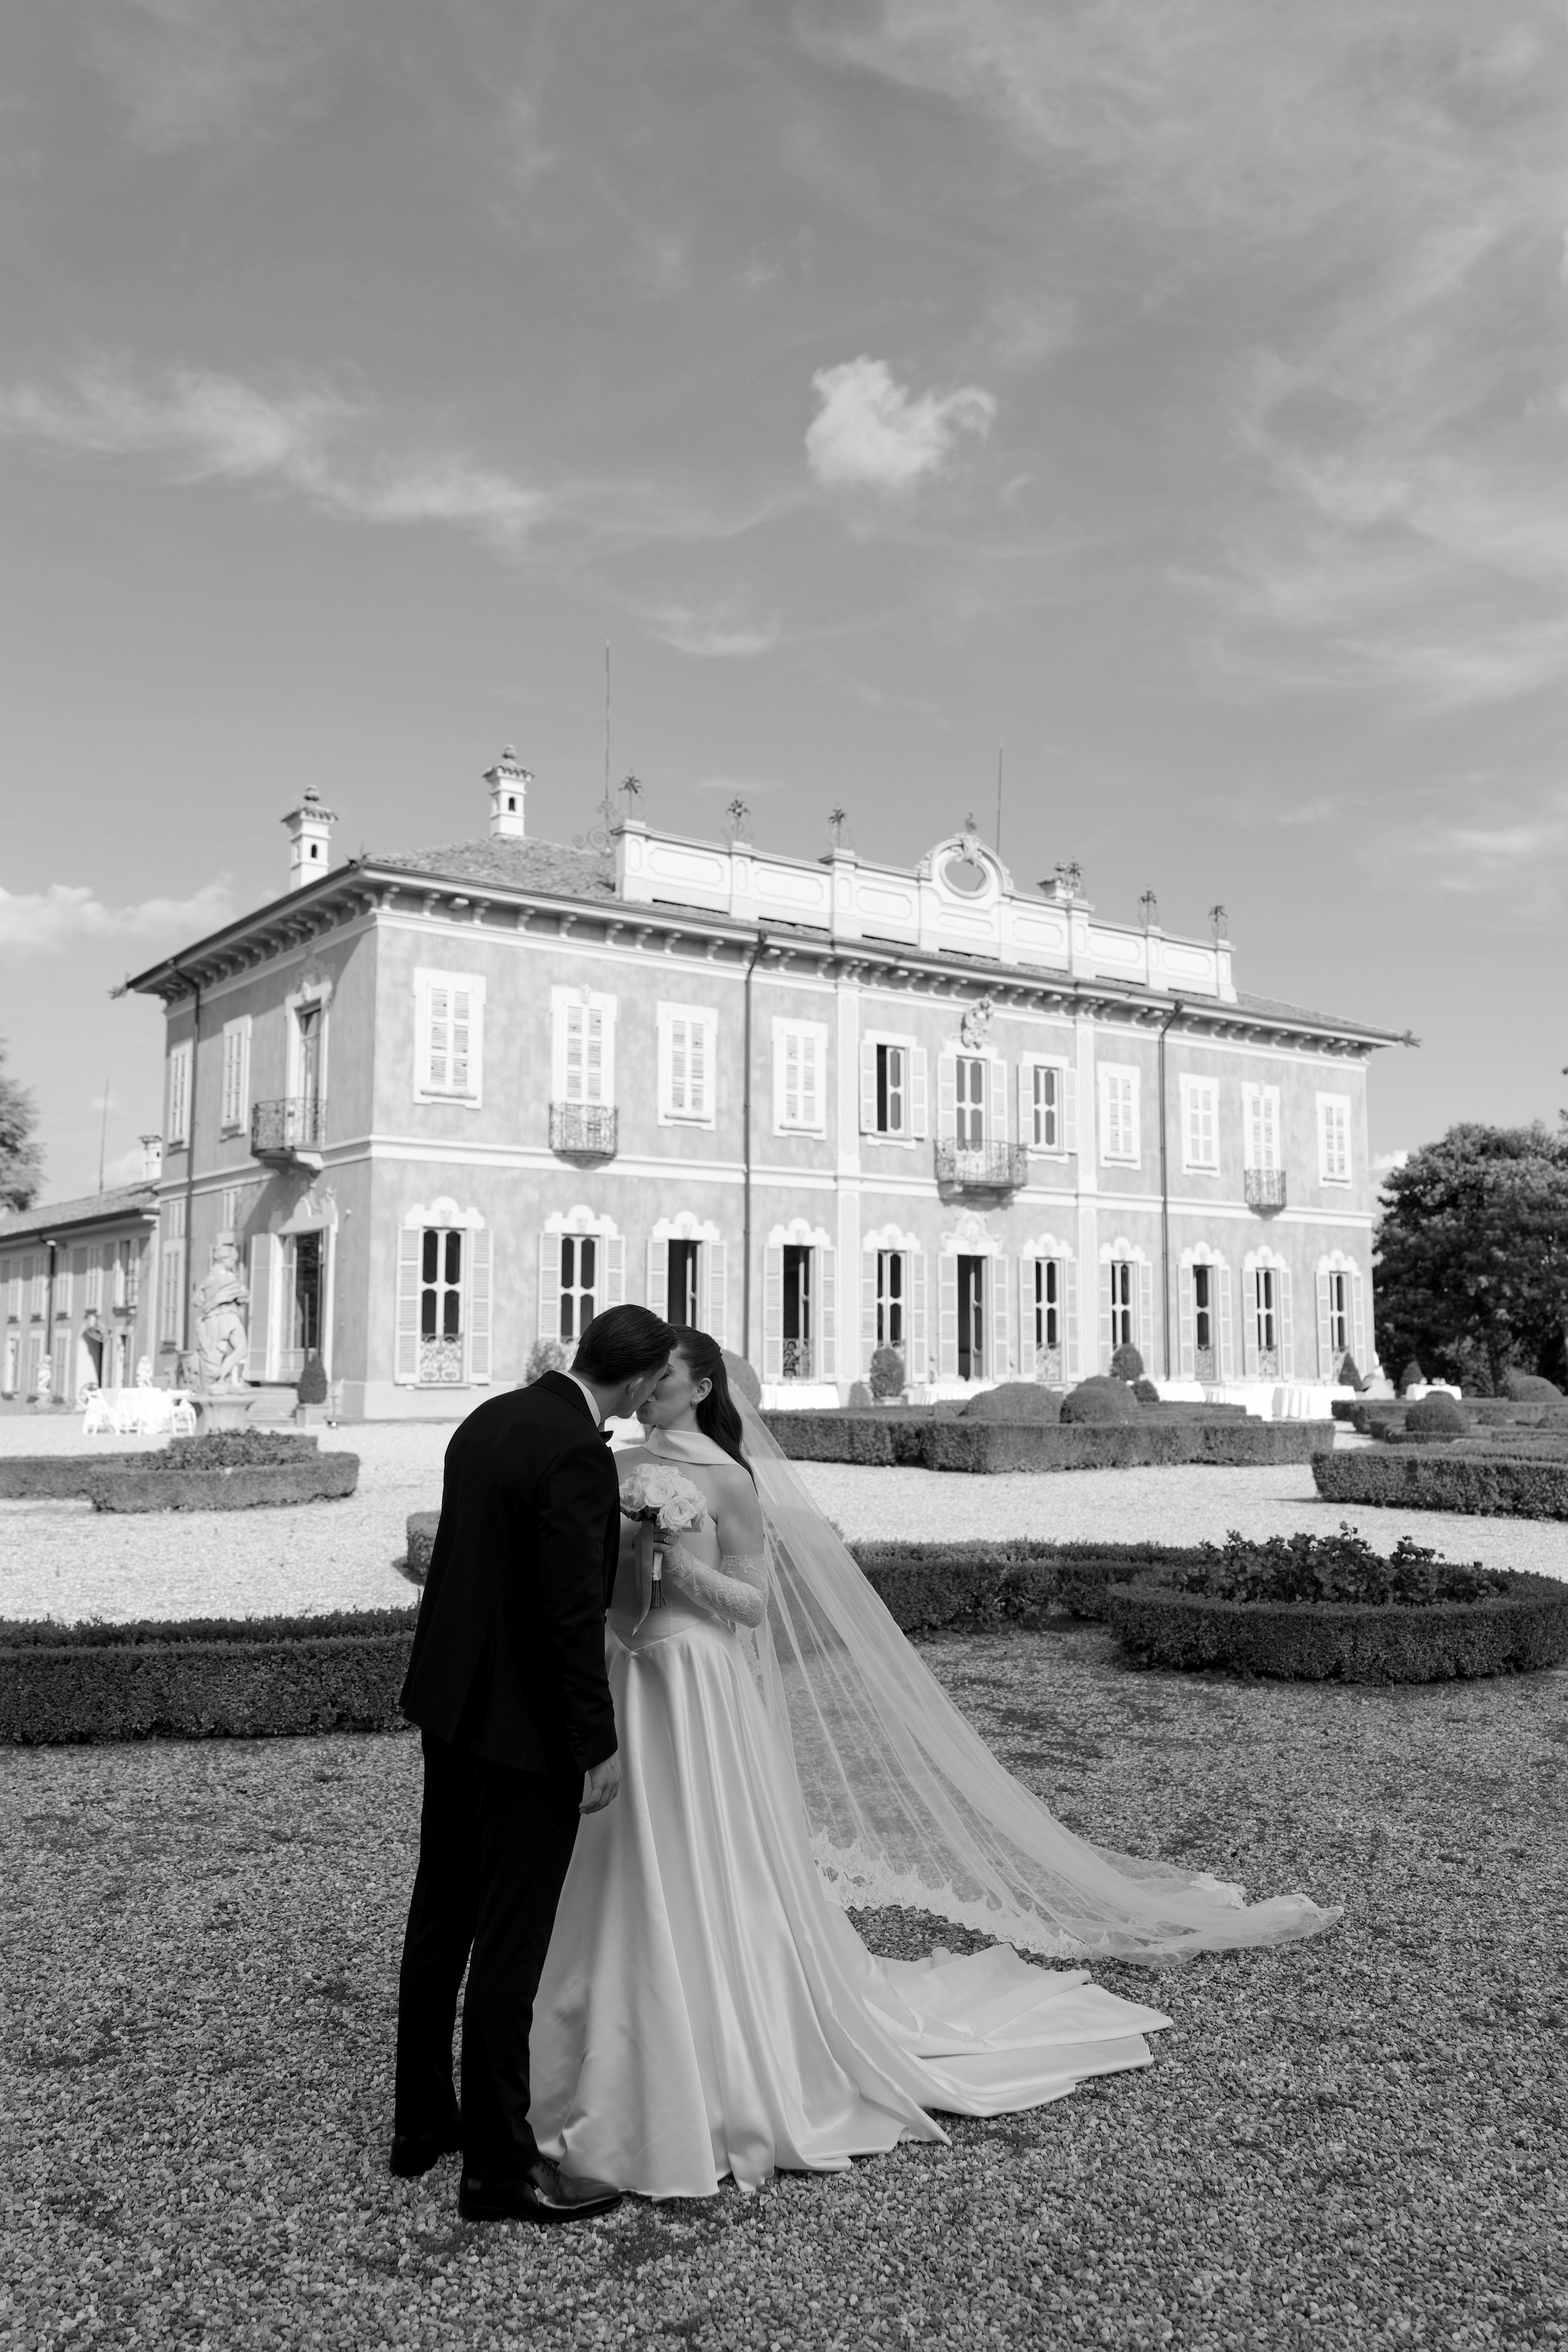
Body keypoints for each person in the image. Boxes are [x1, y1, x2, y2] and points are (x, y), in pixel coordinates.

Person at [528, 1327, 1340, 2200]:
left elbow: (755, 1606)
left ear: (699, 1390)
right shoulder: (608, 1467)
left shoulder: (731, 1481)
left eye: (665, 1381)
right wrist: (627, 1572)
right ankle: (599, 2050)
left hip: (695, 1682)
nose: (647, 1393)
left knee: (703, 1851)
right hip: (627, 1676)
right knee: (616, 1856)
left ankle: (723, 2039)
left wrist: (676, 1570)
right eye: (645, 1382)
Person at [392, 1302, 676, 2224]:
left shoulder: (489, 1417)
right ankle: (501, 2173)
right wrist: (594, 1743)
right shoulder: (578, 1454)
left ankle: (423, 2124)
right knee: (510, 1947)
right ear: (635, 1384)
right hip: (524, 1736)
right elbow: (568, 1617)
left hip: (453, 1710)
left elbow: (463, 1568)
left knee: (442, 1916)